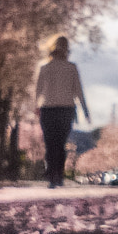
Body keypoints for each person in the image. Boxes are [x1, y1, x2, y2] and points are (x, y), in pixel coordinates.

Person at [33, 36, 90, 189]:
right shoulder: (72, 68)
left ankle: (52, 176)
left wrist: (35, 106)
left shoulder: (45, 68)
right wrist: (85, 111)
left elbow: (38, 90)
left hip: (48, 109)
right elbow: (79, 91)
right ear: (67, 50)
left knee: (51, 144)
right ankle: (58, 175)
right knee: (60, 143)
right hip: (66, 109)